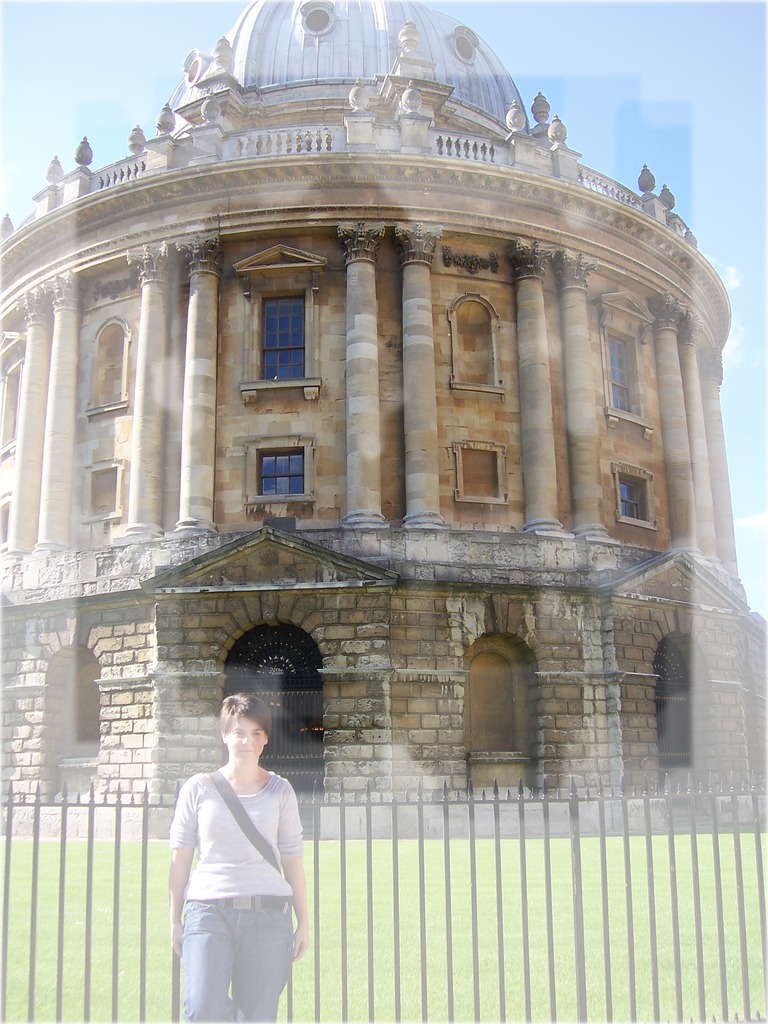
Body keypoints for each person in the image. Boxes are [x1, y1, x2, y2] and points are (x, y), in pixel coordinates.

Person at [169, 692, 309, 1022]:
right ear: (224, 735)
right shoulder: (198, 788)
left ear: (266, 739)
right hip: (208, 911)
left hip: (268, 914)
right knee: (202, 1007)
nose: (247, 741)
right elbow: (180, 859)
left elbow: (292, 859)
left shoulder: (280, 790)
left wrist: (304, 921)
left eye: (256, 733)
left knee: (260, 1014)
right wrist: (174, 919)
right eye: (239, 732)